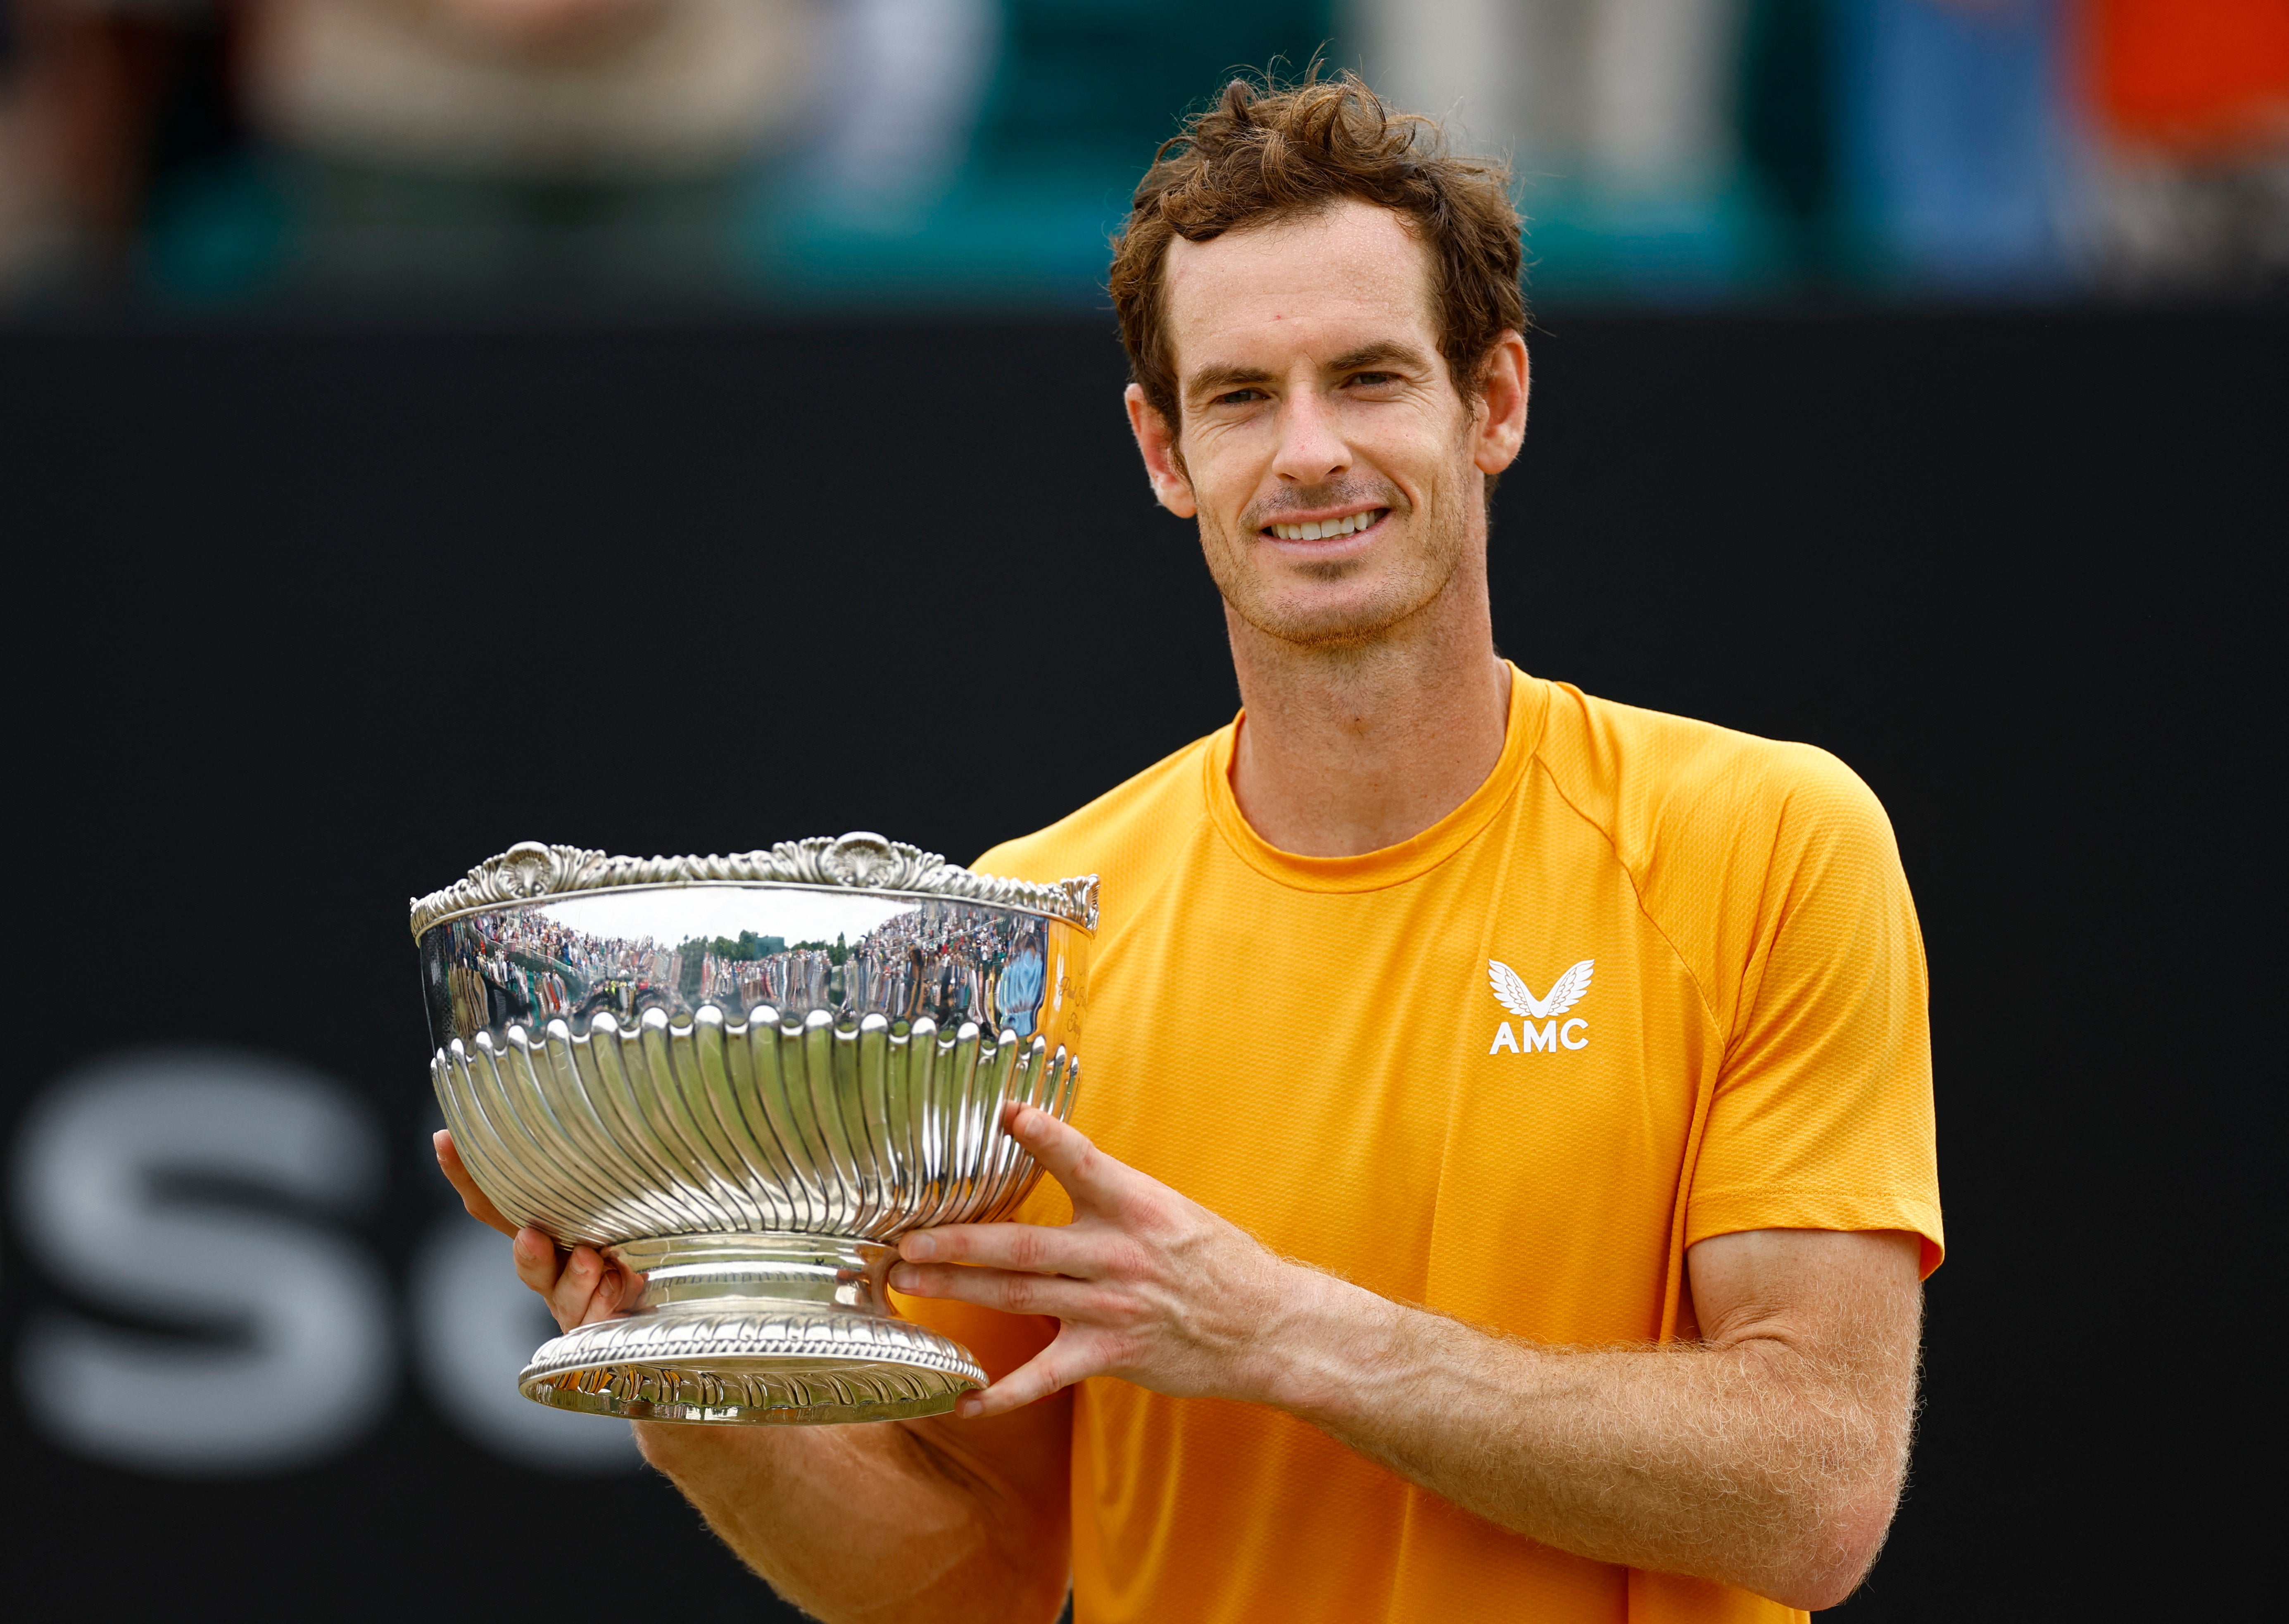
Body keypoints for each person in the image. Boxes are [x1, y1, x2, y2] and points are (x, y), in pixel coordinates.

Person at [438, 71, 1941, 1624]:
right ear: (1164, 451)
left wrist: (1278, 1330)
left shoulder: (1765, 840)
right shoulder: (1029, 937)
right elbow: (974, 1580)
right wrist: (686, 1383)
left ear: (1492, 401)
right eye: (1240, 396)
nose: (1308, 454)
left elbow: (1814, 1487)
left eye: (1368, 378)